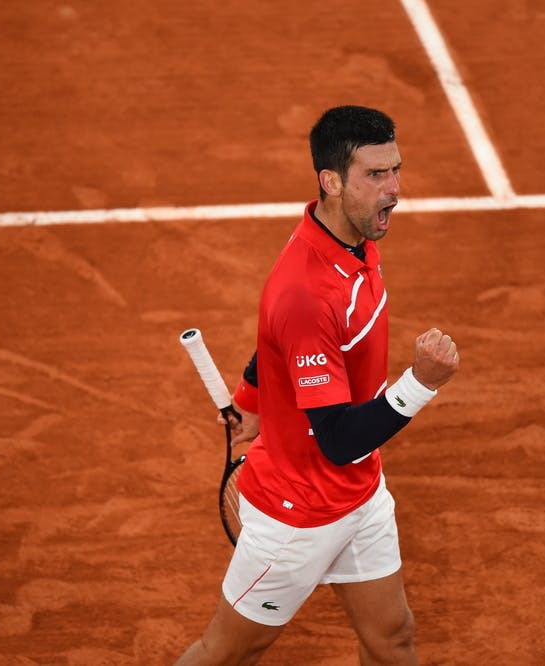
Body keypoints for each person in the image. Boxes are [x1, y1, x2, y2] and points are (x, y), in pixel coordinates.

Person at [175, 105, 459, 665]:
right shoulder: (309, 291)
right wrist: (419, 384)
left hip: (358, 495)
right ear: (330, 182)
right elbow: (335, 438)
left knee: (392, 637)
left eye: (395, 170)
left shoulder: (348, 239)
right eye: (375, 176)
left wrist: (250, 401)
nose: (394, 189)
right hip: (298, 514)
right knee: (225, 656)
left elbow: (279, 346)